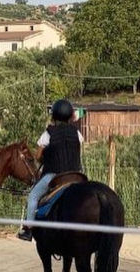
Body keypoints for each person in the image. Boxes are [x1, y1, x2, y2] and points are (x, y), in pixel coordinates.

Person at [16, 99, 83, 241]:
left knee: (33, 196)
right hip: (76, 175)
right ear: (70, 115)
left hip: (56, 176)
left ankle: (28, 230)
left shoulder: (48, 133)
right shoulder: (76, 132)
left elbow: (38, 156)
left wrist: (46, 159)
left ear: (54, 115)